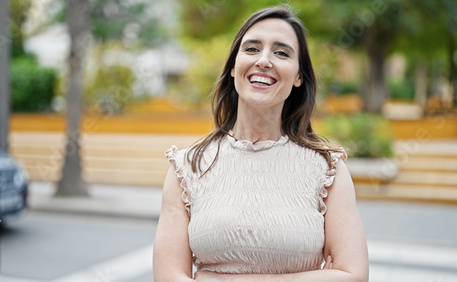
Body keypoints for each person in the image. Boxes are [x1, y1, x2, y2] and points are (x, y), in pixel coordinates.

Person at [153, 5, 369, 281]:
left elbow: (354, 275)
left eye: (281, 52)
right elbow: (168, 277)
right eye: (252, 49)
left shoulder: (327, 169)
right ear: (233, 67)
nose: (264, 60)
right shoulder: (186, 167)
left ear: (299, 76)